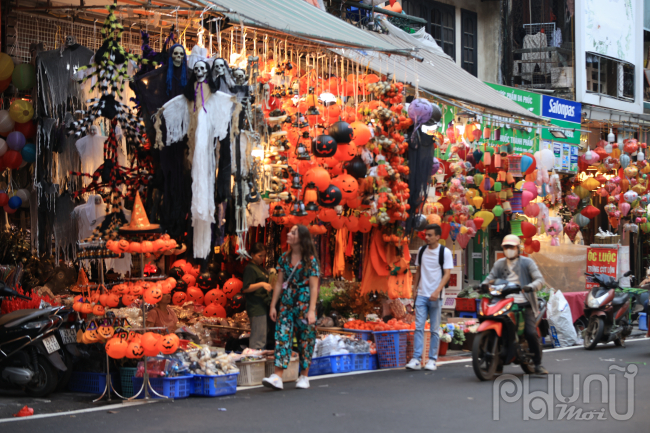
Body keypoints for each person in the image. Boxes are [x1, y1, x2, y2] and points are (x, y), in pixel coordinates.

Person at [262, 225, 320, 390]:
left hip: (304, 302)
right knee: (282, 337)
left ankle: (304, 375)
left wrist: (311, 310)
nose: (288, 234)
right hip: (287, 302)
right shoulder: (284, 258)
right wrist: (273, 305)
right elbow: (279, 283)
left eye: (293, 232)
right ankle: (277, 376)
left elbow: (314, 287)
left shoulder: (311, 260)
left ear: (301, 238)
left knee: (306, 338)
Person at [481, 234, 547, 374]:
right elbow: (490, 278)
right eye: (506, 247)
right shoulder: (499, 264)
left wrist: (531, 287)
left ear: (518, 248)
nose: (508, 249)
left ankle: (538, 364)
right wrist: (483, 286)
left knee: (530, 332)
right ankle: (497, 361)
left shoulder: (527, 263)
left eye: (511, 247)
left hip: (523, 302)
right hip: (503, 301)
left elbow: (540, 280)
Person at [406, 224, 453, 371]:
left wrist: (437, 291)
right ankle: (416, 359)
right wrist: (414, 289)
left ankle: (432, 359)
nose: (426, 237)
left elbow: (447, 274)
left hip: (436, 296)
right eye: (426, 235)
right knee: (418, 327)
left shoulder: (444, 252)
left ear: (438, 236)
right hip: (421, 294)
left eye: (430, 235)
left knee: (434, 329)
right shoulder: (421, 251)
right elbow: (418, 270)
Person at [242, 242, 272, 349]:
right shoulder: (250, 268)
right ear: (252, 254)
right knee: (258, 339)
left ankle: (259, 360)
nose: (262, 258)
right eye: (260, 256)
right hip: (256, 307)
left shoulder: (260, 268)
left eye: (264, 256)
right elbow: (246, 288)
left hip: (264, 306)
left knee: (262, 336)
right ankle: (254, 361)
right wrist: (262, 284)